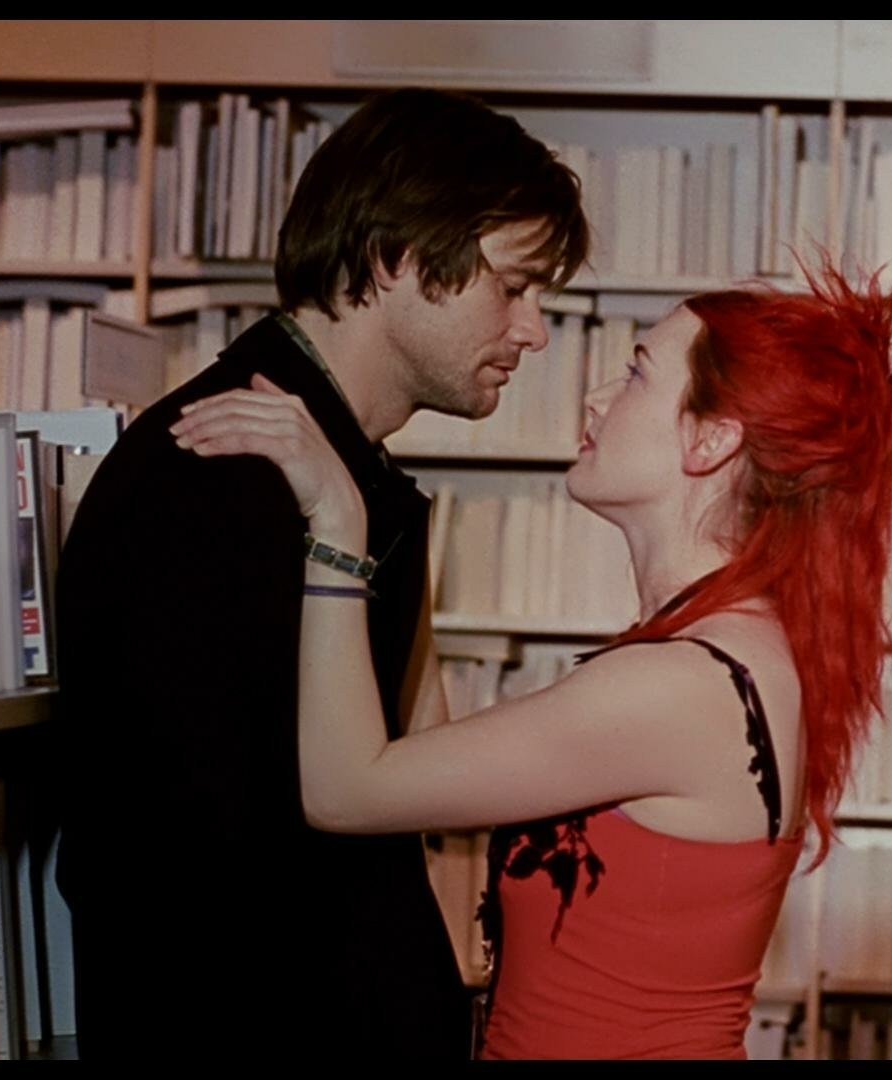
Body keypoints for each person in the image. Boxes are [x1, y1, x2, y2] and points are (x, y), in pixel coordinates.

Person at [166, 261, 892, 1058]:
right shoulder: (723, 649)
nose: (596, 399)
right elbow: (430, 773)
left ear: (710, 439)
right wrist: (395, 533)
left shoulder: (677, 684)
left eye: (636, 374)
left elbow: (345, 789)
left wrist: (337, 524)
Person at [50, 87, 588, 1058]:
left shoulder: (345, 477)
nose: (536, 331)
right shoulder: (216, 477)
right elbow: (200, 881)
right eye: (514, 287)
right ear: (394, 261)